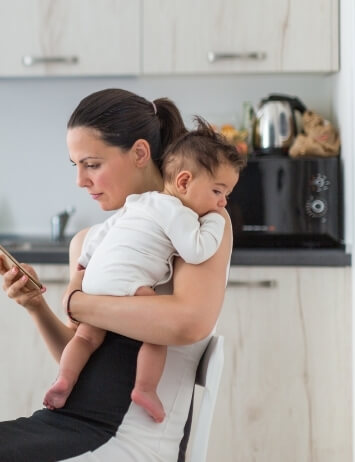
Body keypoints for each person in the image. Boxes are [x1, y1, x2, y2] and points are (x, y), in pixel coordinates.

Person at [0, 88, 234, 462]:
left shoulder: (199, 219)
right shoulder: (89, 242)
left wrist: (77, 303)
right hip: (60, 422)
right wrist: (37, 306)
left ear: (140, 154)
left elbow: (188, 323)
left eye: (92, 164)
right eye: (75, 165)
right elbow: (77, 353)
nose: (81, 180)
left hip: (129, 441)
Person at [42, 117, 246, 424]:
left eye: (92, 164)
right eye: (219, 192)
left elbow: (100, 238)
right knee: (154, 334)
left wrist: (81, 276)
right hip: (129, 284)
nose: (223, 202)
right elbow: (195, 249)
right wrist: (214, 220)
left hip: (96, 279)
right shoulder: (183, 215)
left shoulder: (136, 205)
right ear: (184, 182)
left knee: (85, 338)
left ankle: (63, 381)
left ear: (140, 154)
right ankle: (146, 388)